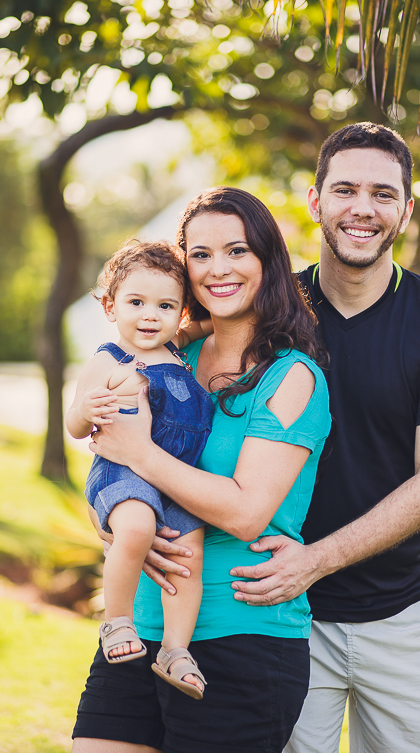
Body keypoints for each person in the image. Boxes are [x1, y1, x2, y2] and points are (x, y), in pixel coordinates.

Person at [227, 123, 420, 753]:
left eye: (383, 193)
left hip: (404, 618)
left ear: (405, 210)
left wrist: (314, 562)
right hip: (281, 617)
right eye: (345, 190)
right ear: (315, 202)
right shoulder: (270, 313)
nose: (363, 209)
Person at [71, 187, 331, 753]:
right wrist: (115, 520)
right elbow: (104, 454)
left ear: (268, 261)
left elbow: (244, 512)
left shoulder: (291, 377)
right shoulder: (168, 358)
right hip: (137, 628)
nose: (218, 270)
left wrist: (141, 455)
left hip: (241, 635)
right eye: (201, 255)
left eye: (237, 251)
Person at [67, 240, 214, 698]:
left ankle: (174, 650)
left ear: (182, 313)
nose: (150, 315)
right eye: (136, 303)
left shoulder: (176, 351)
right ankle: (116, 622)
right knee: (135, 528)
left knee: (188, 559)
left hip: (175, 479)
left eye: (165, 305)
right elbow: (74, 425)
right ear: (110, 307)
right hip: (122, 475)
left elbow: (211, 325)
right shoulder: (108, 360)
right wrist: (86, 408)